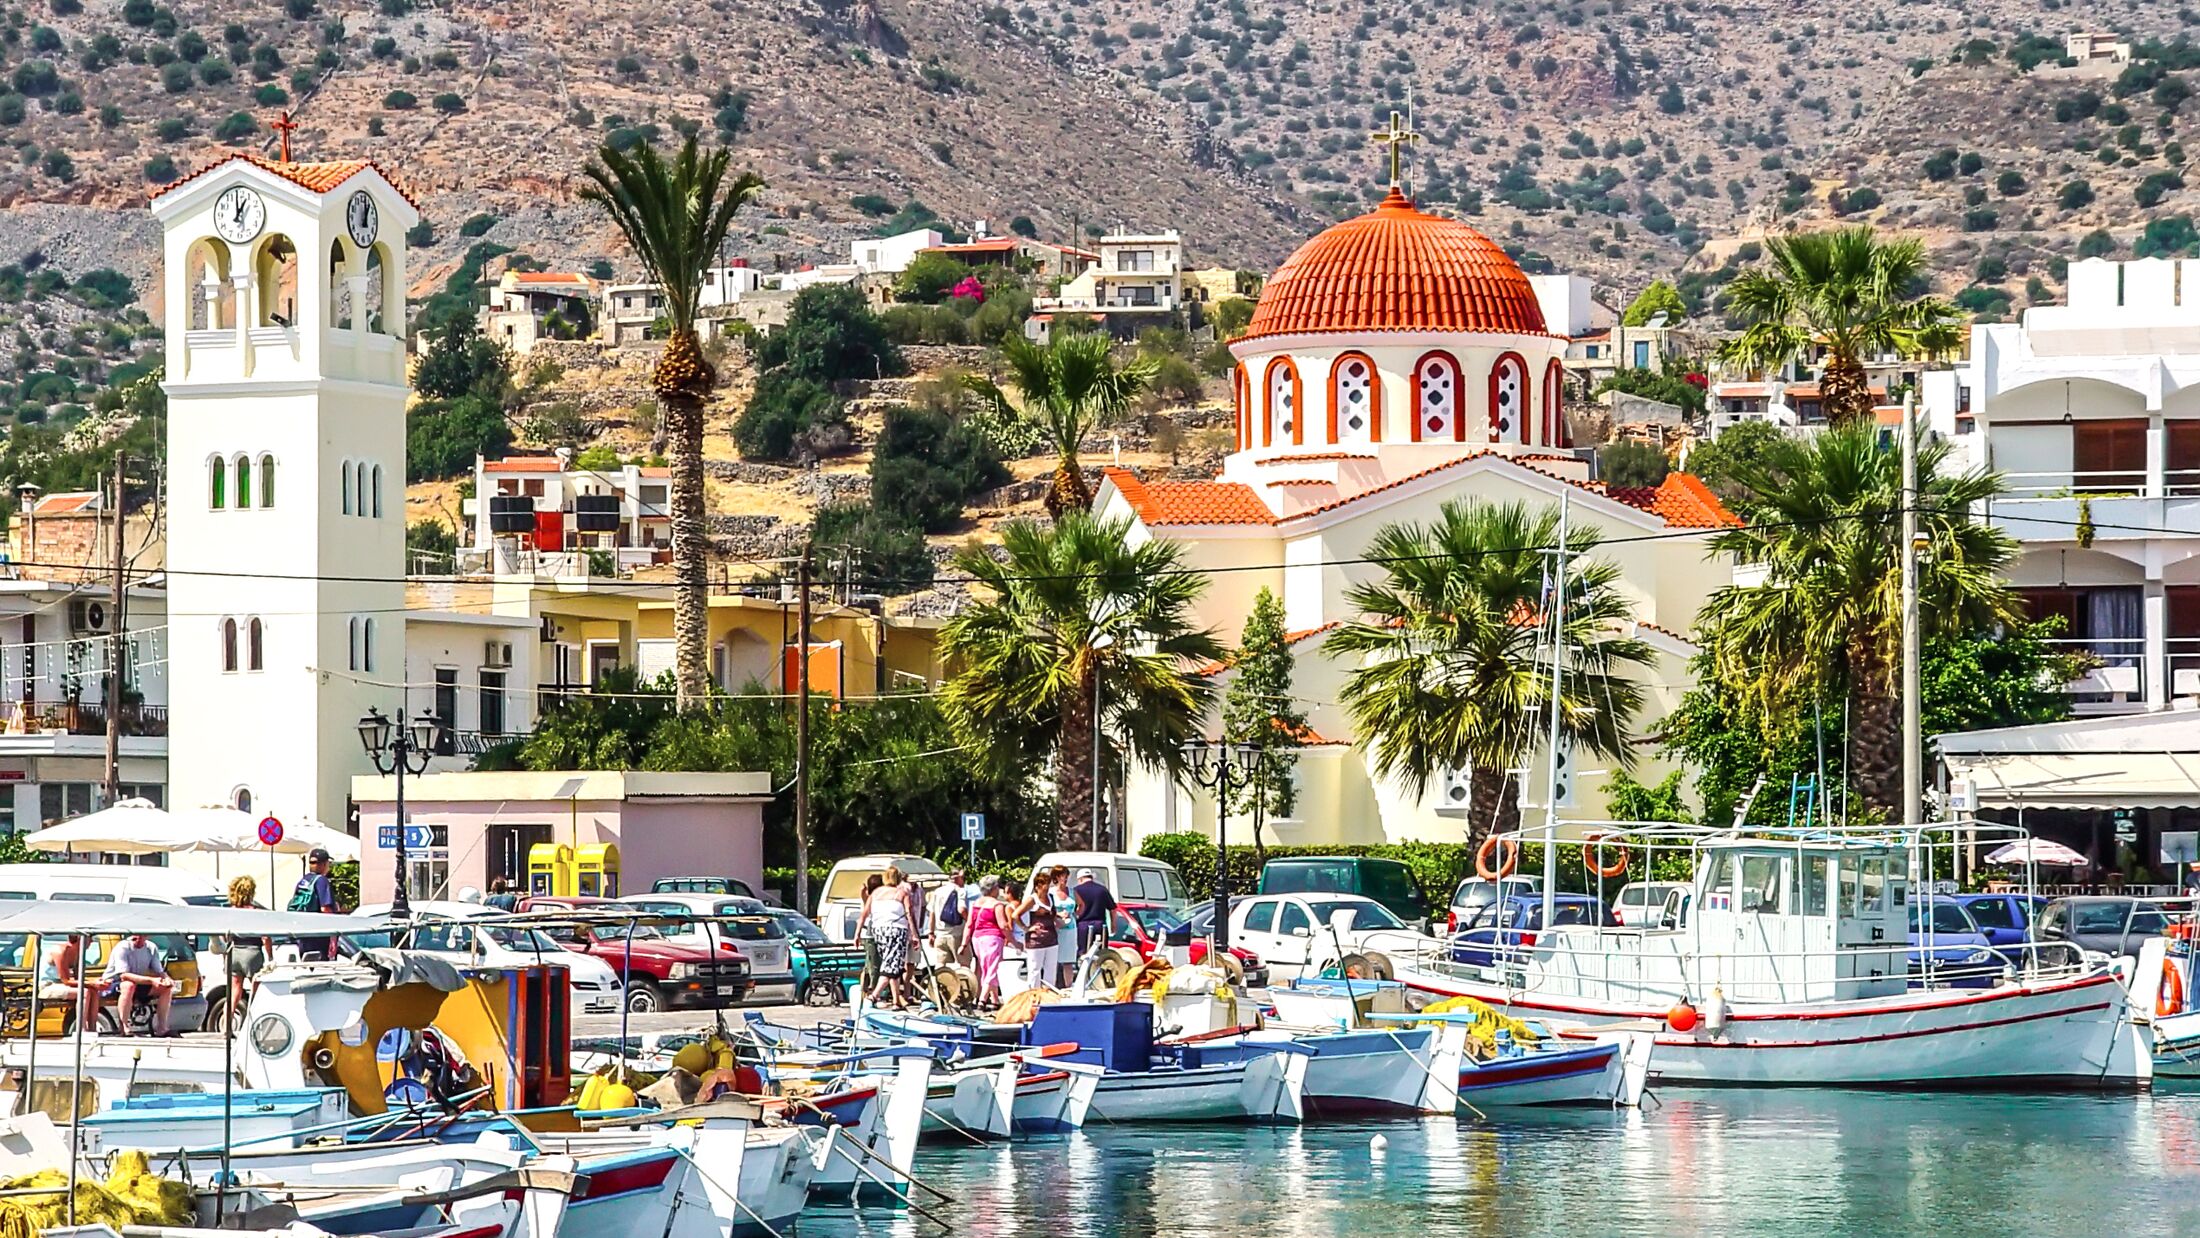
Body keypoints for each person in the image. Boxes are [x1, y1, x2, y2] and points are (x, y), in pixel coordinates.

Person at [102, 932, 174, 1036]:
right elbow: (124, 975)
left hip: (138, 981)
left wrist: (167, 979)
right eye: (135, 938)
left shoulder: (151, 947)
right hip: (113, 983)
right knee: (128, 985)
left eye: (142, 937)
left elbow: (159, 971)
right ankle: (123, 1026)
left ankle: (162, 1027)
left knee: (166, 988)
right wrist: (151, 980)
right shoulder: (123, 947)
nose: (138, 940)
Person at [224, 876, 271, 1026]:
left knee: (233, 991)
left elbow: (225, 936)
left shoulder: (230, 912)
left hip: (235, 951)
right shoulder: (256, 912)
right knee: (257, 991)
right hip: (252, 951)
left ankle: (227, 1024)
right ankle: (253, 1024)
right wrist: (270, 956)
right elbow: (265, 937)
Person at [865, 868, 913, 1009]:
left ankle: (896, 1001)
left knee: (894, 966)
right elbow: (910, 914)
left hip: (879, 932)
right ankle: (873, 996)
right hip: (897, 932)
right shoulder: (901, 893)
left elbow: (864, 914)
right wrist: (914, 935)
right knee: (890, 968)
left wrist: (856, 933)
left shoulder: (876, 893)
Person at [39, 936, 100, 1031]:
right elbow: (66, 980)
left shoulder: (78, 953)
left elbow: (78, 978)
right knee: (84, 992)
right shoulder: (60, 951)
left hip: (62, 985)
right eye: (89, 938)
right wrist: (91, 983)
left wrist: (95, 983)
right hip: (48, 986)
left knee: (93, 991)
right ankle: (81, 1028)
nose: (92, 941)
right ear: (80, 938)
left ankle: (92, 1028)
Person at [964, 875, 1007, 1009]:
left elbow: (969, 924)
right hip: (992, 938)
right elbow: (1003, 925)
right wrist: (1013, 941)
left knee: (986, 968)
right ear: (993, 888)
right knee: (993, 969)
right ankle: (982, 1000)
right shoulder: (997, 904)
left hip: (977, 939)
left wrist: (964, 943)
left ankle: (994, 1000)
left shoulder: (976, 903)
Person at [290, 848, 340, 960]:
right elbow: (325, 909)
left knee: (308, 967)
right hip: (320, 935)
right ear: (323, 864)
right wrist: (333, 935)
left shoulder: (304, 881)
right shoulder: (322, 881)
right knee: (321, 969)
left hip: (304, 933)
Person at [1019, 874, 1060, 992]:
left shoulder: (1051, 897)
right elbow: (1015, 914)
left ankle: (1048, 994)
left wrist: (1059, 917)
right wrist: (1026, 928)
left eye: (1048, 883)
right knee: (1035, 970)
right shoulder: (1032, 899)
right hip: (1035, 940)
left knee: (1051, 969)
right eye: (1044, 884)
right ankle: (1034, 995)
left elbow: (1053, 914)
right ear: (1037, 886)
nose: (1047, 887)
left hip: (1051, 937)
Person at [1072, 868, 1117, 959]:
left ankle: (1083, 971)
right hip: (1100, 925)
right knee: (1101, 953)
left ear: (1080, 879)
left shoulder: (1076, 890)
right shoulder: (1102, 890)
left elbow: (1073, 909)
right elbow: (1113, 909)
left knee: (1083, 954)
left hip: (1083, 926)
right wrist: (1113, 925)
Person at [855, 873, 884, 994]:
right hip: (872, 936)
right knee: (874, 966)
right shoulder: (873, 898)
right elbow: (864, 898)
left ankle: (866, 991)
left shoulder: (873, 898)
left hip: (871, 935)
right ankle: (872, 991)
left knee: (869, 966)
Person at [1048, 868, 1078, 985]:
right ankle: (1052, 985)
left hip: (1070, 928)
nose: (1064, 879)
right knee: (1053, 960)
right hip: (1055, 928)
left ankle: (1068, 987)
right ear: (1055, 877)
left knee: (1068, 961)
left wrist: (1076, 914)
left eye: (1066, 876)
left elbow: (1081, 904)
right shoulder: (1050, 892)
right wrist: (1057, 914)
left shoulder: (1071, 891)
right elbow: (1046, 908)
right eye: (1061, 876)